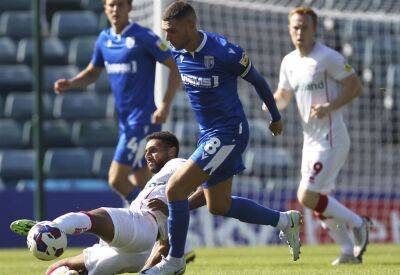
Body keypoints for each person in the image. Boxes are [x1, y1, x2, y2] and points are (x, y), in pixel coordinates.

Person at [142, 2, 302, 274]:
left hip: (229, 132)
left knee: (175, 189)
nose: (168, 37)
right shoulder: (176, 51)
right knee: (219, 205)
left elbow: (259, 81)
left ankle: (175, 261)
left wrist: (275, 117)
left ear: (191, 26)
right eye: (165, 32)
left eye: (173, 31)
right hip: (209, 134)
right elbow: (166, 68)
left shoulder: (224, 52)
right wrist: (165, 105)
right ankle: (285, 221)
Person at [263, 7, 371, 265]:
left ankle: (359, 223)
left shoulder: (327, 57)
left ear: (314, 29)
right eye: (295, 27)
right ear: (290, 30)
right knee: (317, 201)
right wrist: (271, 103)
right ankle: (347, 252)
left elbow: (355, 86)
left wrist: (329, 107)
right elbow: (284, 95)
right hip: (310, 141)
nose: (299, 32)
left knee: (306, 196)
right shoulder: (289, 61)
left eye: (304, 27)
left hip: (331, 139)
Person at [10, 131, 196, 275]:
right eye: (146, 151)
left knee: (95, 217)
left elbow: (205, 190)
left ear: (171, 151)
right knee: (58, 268)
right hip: (136, 248)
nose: (148, 155)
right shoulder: (163, 189)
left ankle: (51, 228)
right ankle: (51, 230)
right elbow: (164, 244)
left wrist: (178, 207)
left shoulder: (178, 164)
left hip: (142, 224)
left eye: (154, 150)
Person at [53, 0, 181, 203]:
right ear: (105, 8)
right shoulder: (104, 39)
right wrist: (71, 83)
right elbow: (92, 73)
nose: (115, 9)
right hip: (125, 122)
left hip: (142, 120)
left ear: (130, 8)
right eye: (111, 5)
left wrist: (165, 104)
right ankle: (159, 228)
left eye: (121, 5)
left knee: (116, 179)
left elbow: (175, 66)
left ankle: (150, 216)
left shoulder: (144, 36)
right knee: (143, 181)